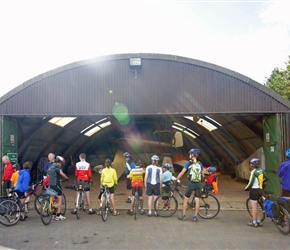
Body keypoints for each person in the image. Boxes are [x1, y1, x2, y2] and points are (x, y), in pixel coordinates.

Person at [176, 148, 204, 222]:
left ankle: (184, 215)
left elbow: (182, 173)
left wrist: (176, 179)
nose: (189, 155)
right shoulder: (200, 164)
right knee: (197, 200)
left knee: (186, 199)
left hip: (191, 184)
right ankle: (195, 217)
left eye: (190, 154)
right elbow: (203, 175)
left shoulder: (188, 163)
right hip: (198, 184)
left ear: (192, 155)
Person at [244, 158, 269, 227]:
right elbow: (267, 178)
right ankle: (259, 221)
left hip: (254, 190)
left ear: (252, 165)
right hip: (260, 190)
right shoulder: (261, 170)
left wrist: (246, 188)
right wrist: (262, 182)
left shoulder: (253, 171)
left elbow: (251, 182)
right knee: (256, 206)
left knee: (254, 206)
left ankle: (254, 222)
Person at [48, 155, 69, 221]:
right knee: (60, 198)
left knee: (54, 199)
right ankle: (58, 214)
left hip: (50, 184)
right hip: (56, 185)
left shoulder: (51, 167)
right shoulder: (57, 167)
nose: (61, 164)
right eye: (61, 163)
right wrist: (67, 178)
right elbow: (62, 173)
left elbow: (48, 174)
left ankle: (54, 214)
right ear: (59, 162)